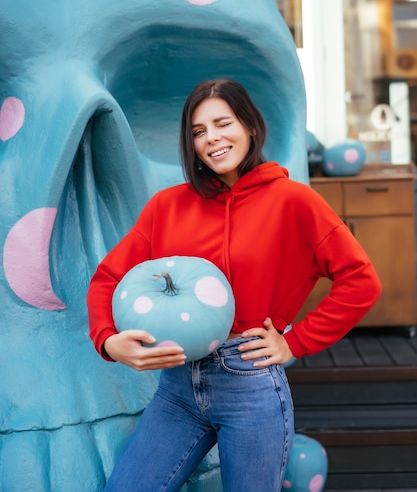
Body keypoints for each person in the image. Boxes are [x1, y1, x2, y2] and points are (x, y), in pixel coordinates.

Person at [86, 78, 382, 492]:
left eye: (222, 123)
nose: (212, 138)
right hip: (177, 387)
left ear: (250, 127)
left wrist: (295, 343)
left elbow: (361, 281)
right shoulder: (166, 207)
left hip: (250, 382)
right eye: (198, 131)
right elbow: (107, 278)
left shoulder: (294, 202)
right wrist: (108, 341)